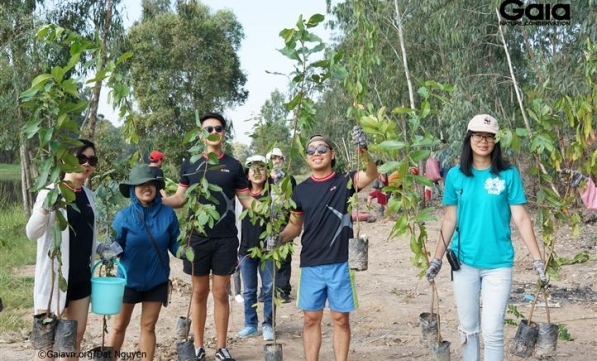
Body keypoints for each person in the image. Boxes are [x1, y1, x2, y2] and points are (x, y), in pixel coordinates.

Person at [424, 114, 546, 361]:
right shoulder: (456, 176)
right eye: (479, 135)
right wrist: (436, 259)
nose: (484, 140)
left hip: (498, 263)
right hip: (464, 262)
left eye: (490, 136)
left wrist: (538, 260)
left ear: (496, 141)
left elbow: (521, 218)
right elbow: (449, 219)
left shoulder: (508, 175)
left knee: (493, 331)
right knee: (468, 329)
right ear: (469, 138)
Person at [161, 112, 258, 361]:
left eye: (218, 128)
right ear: (201, 134)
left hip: (226, 239)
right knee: (199, 292)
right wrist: (159, 199)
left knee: (220, 293)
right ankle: (199, 346)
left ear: (224, 132)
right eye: (208, 129)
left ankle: (222, 347)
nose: (214, 133)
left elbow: (246, 199)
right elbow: (180, 199)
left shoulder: (234, 165)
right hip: (197, 239)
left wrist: (268, 207)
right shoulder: (190, 164)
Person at [277, 127, 378, 361]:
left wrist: (363, 150)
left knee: (340, 319)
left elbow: (370, 173)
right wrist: (279, 238)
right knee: (311, 319)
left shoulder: (346, 181)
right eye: (311, 150)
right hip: (311, 263)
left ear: (332, 154)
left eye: (322, 148)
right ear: (306, 156)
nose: (316, 153)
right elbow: (295, 226)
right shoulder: (299, 191)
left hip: (341, 262)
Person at [26, 139, 106, 360]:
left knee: (74, 339)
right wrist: (44, 209)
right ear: (66, 161)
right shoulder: (50, 193)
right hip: (53, 280)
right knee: (47, 343)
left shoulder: (88, 196)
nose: (86, 164)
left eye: (92, 160)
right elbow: (32, 233)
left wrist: (102, 248)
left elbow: (86, 235)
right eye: (81, 158)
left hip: (81, 279)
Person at [107, 165, 180, 360]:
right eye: (140, 184)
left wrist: (189, 251)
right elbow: (115, 245)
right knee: (118, 325)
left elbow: (175, 244)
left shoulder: (168, 214)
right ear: (133, 189)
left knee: (148, 326)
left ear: (156, 187)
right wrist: (108, 250)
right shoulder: (123, 216)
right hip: (128, 281)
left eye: (150, 184)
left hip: (156, 280)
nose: (146, 188)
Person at [236, 155, 276, 341]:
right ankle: (250, 324)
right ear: (247, 174)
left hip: (267, 251)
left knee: (268, 288)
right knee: (249, 290)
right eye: (253, 169)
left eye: (261, 168)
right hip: (245, 250)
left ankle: (268, 324)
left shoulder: (273, 195)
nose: (257, 172)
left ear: (267, 172)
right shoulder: (241, 196)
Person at [266, 147, 297, 303]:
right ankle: (268, 290)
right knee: (268, 256)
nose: (277, 161)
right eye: (274, 158)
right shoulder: (265, 179)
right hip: (268, 223)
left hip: (285, 221)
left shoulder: (289, 179)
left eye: (280, 158)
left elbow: (295, 200)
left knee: (284, 256)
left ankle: (283, 290)